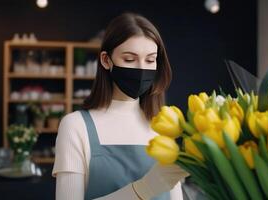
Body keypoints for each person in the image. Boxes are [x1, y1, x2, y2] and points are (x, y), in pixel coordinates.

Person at [52, 12, 189, 200]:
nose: (141, 68)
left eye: (150, 60)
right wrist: (144, 189)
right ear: (106, 60)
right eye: (129, 59)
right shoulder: (75, 126)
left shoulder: (164, 126)